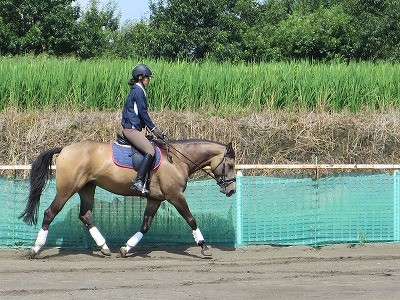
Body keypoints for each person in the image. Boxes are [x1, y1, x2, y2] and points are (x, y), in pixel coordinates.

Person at [121, 64, 164, 195]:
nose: (148, 81)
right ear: (140, 77)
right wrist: (154, 129)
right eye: (147, 78)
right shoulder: (138, 91)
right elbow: (143, 113)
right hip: (131, 130)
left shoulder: (137, 90)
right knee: (150, 150)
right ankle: (138, 181)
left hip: (134, 128)